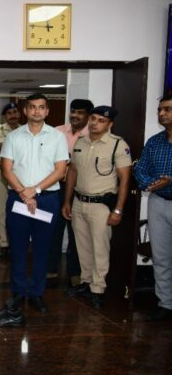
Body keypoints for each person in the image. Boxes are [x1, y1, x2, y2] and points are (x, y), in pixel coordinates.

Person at [0, 93, 68, 327]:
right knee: (19, 247)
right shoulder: (13, 137)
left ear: (47, 111)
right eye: (32, 107)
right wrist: (24, 192)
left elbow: (60, 170)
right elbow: (6, 170)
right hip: (18, 197)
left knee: (42, 248)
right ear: (26, 110)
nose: (36, 111)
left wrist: (35, 190)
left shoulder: (57, 137)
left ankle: (37, 293)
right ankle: (18, 292)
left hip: (47, 199)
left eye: (41, 107)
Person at [62, 106, 131, 309]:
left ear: (110, 124)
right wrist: (67, 201)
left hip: (101, 206)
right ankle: (86, 282)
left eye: (101, 120)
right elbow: (72, 172)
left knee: (100, 249)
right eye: (93, 118)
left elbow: (125, 180)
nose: (94, 123)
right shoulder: (80, 142)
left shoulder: (118, 145)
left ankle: (98, 289)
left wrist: (118, 210)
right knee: (82, 246)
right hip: (79, 203)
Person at [134, 94, 172, 322]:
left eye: (167, 109)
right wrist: (151, 183)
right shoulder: (154, 141)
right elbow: (140, 169)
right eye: (160, 110)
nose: (162, 113)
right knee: (161, 257)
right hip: (158, 202)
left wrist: (170, 180)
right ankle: (166, 303)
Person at [49, 98, 93, 284]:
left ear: (89, 116)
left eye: (80, 112)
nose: (75, 115)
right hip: (56, 187)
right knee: (53, 229)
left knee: (77, 232)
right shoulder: (57, 131)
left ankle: (75, 272)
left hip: (79, 188)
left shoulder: (92, 135)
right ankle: (50, 269)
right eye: (73, 111)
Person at [0, 102, 21, 259]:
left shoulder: (26, 129)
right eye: (9, 113)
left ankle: (18, 242)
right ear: (4, 116)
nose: (13, 115)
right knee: (3, 209)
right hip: (3, 173)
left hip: (21, 174)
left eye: (15, 112)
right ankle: (4, 243)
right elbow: (3, 149)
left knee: (19, 209)